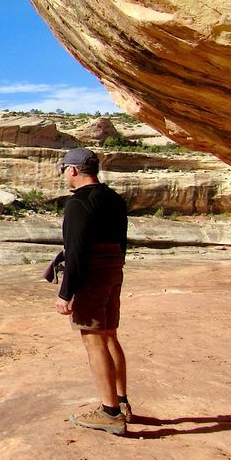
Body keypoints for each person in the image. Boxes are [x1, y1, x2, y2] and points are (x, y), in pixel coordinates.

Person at [53, 147, 130, 435]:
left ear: (72, 170)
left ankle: (110, 413)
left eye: (64, 170)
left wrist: (65, 293)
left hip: (92, 275)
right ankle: (121, 402)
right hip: (112, 270)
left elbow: (76, 252)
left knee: (93, 339)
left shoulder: (79, 203)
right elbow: (122, 242)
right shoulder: (113, 198)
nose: (64, 176)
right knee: (109, 334)